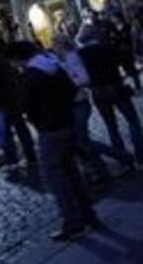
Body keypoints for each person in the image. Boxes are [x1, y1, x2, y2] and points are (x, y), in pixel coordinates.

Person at [10, 41, 99, 241]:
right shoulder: (54, 65)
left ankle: (72, 222)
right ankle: (88, 215)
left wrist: (39, 115)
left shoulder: (31, 75)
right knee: (72, 172)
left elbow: (25, 105)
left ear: (18, 58)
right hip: (67, 121)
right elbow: (71, 89)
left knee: (56, 177)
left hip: (50, 129)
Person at [52, 34, 117, 182]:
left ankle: (115, 158)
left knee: (82, 140)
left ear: (62, 45)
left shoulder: (72, 58)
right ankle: (99, 166)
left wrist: (66, 84)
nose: (54, 47)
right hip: (73, 103)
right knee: (81, 139)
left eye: (55, 44)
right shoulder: (62, 59)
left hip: (79, 102)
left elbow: (84, 78)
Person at [78, 27, 143, 167]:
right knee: (132, 121)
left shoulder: (81, 54)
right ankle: (140, 155)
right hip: (115, 87)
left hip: (98, 91)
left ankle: (123, 158)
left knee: (111, 126)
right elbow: (121, 62)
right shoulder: (107, 48)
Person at [0, 36, 37, 169]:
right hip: (11, 98)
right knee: (20, 128)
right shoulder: (1, 58)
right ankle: (30, 155)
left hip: (2, 100)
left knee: (6, 131)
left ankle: (13, 159)